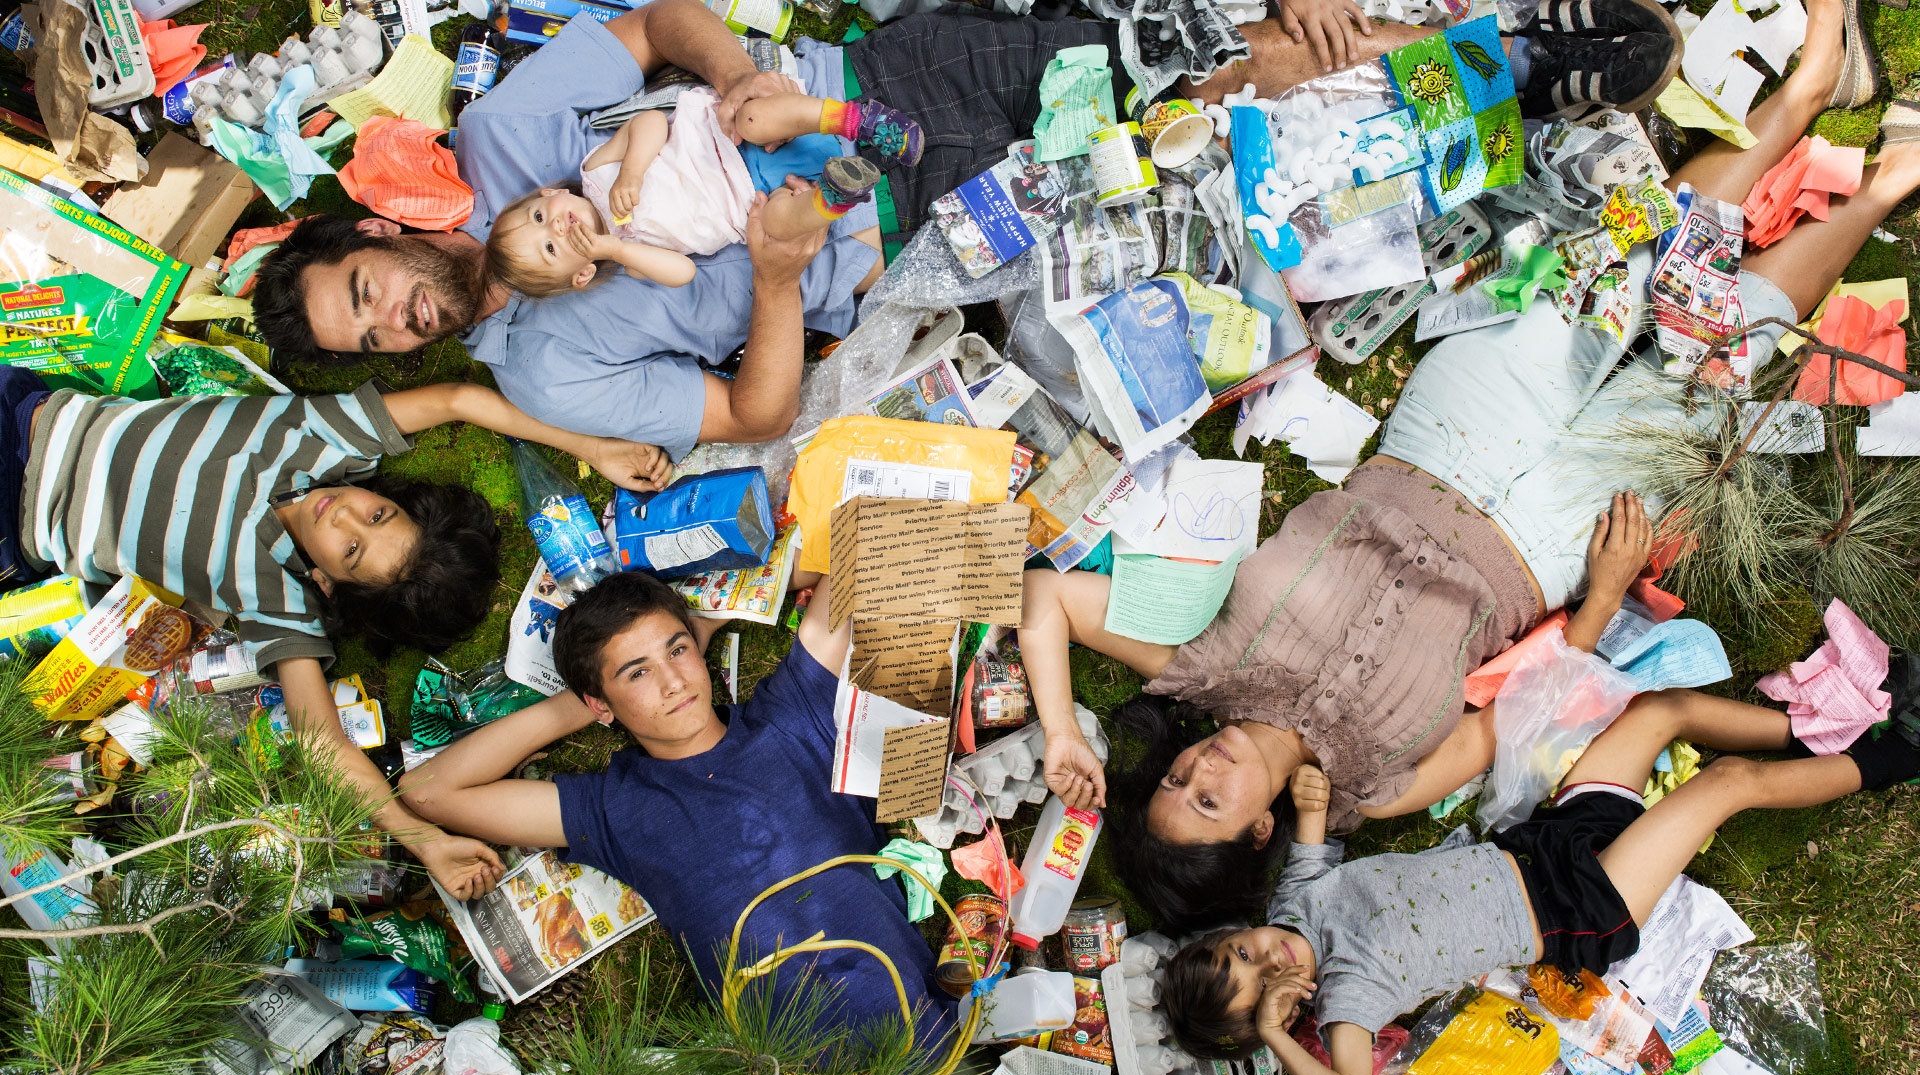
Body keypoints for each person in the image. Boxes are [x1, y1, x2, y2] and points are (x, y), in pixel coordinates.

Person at [1018, 0, 1910, 930]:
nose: (1200, 768)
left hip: (1451, 437)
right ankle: (1887, 186)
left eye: (1175, 776)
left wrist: (1055, 731)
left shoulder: (1194, 663)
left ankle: (1811, 84)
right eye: (1207, 800)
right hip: (1554, 535)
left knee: (1634, 247)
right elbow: (1523, 721)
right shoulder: (1380, 790)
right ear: (1256, 838)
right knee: (1728, 355)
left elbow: (1043, 600)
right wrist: (1601, 598)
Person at [249, 0, 1677, 460]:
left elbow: (651, 22)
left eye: (367, 287)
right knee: (1232, 169)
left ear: (366, 234)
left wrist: (738, 73)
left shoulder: (502, 135)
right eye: (371, 336)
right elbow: (758, 412)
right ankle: (1516, 88)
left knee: (1177, 48)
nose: (400, 316)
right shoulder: (543, 378)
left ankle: (1480, 41)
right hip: (923, 246)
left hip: (875, 86)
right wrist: (779, 278)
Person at [1, 368, 669, 898]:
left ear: (332, 585)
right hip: (33, 411)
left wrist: (422, 841)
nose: (344, 517)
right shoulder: (320, 437)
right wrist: (590, 446)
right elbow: (459, 398)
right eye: (379, 514)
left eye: (351, 552)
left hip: (16, 520)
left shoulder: (276, 598)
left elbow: (322, 740)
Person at [1155, 675, 1920, 1075]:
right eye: (1262, 984)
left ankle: (1833, 724)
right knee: (1724, 784)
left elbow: (1311, 836)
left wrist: (1310, 801)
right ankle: (1898, 754)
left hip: (1543, 842)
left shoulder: (1294, 908)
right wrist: (1270, 1037)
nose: (1269, 955)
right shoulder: (1349, 1000)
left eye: (1240, 950)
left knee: (1658, 712)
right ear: (1286, 1016)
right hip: (1580, 906)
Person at [397, 571, 955, 1050]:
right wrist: (589, 704)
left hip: (933, 1038)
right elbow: (428, 791)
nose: (673, 681)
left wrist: (717, 611)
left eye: (678, 650)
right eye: (636, 672)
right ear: (600, 703)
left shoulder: (789, 714)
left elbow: (872, 543)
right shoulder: (615, 807)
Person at [484, 88, 924, 295]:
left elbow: (652, 122)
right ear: (582, 275)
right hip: (755, 198)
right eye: (550, 248)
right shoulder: (629, 253)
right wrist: (613, 250)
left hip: (728, 140)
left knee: (754, 115)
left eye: (541, 217)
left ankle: (857, 121)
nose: (558, 228)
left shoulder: (597, 171)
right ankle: (835, 195)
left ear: (547, 193)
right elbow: (683, 272)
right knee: (772, 228)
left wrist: (632, 172)